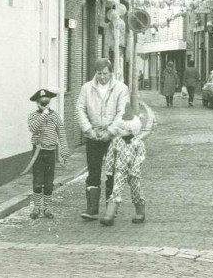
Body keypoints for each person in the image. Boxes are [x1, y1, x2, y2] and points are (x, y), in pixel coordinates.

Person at [76, 58, 129, 221]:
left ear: (110, 72)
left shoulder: (121, 89)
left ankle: (110, 209)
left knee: (112, 172)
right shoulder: (87, 88)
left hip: (113, 137)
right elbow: (80, 109)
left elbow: (122, 112)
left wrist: (111, 131)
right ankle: (92, 208)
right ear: (95, 73)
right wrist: (88, 130)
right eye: (99, 74)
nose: (102, 77)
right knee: (93, 170)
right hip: (94, 135)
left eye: (105, 73)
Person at [100, 102, 147, 226]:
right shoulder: (116, 141)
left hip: (134, 172)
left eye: (123, 129)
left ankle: (140, 213)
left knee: (136, 190)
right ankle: (109, 215)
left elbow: (140, 157)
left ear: (131, 129)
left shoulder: (138, 143)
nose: (120, 131)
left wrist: (135, 169)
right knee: (116, 191)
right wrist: (109, 170)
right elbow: (110, 155)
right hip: (120, 170)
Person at [26, 88, 69, 219]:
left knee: (49, 181)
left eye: (46, 102)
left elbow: (61, 133)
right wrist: (43, 115)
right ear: (37, 103)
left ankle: (47, 208)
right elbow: (32, 128)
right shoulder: (33, 116)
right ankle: (37, 208)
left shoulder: (55, 116)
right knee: (38, 180)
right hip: (38, 152)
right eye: (41, 102)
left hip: (50, 152)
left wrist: (64, 151)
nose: (44, 105)